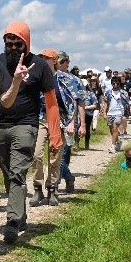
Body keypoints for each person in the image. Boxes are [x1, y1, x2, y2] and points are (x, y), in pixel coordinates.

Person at [0, 21, 62, 245]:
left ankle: (12, 221)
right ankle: (21, 213)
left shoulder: (39, 66)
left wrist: (55, 133)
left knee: (18, 172)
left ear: (26, 42)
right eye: (8, 41)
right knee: (10, 173)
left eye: (17, 42)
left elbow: (51, 102)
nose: (12, 46)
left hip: (26, 125)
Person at [30, 49, 64, 206]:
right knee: (36, 154)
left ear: (55, 60)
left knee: (54, 156)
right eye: (41, 57)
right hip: (40, 120)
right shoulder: (36, 78)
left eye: (47, 58)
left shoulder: (65, 80)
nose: (43, 60)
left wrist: (75, 123)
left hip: (58, 121)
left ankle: (52, 188)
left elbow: (74, 102)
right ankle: (37, 188)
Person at [53, 51, 85, 194]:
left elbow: (81, 102)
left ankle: (55, 184)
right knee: (56, 153)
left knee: (63, 153)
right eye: (59, 62)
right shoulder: (49, 78)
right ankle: (68, 177)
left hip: (69, 121)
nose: (63, 64)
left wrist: (82, 124)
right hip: (53, 120)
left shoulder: (74, 80)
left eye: (63, 62)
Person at [103, 75, 131, 153]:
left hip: (119, 112)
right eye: (114, 83)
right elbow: (106, 103)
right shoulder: (108, 92)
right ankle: (118, 141)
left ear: (119, 84)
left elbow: (128, 103)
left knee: (115, 128)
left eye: (117, 83)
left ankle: (113, 146)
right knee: (112, 130)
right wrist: (104, 113)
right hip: (110, 113)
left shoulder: (123, 92)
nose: (115, 85)